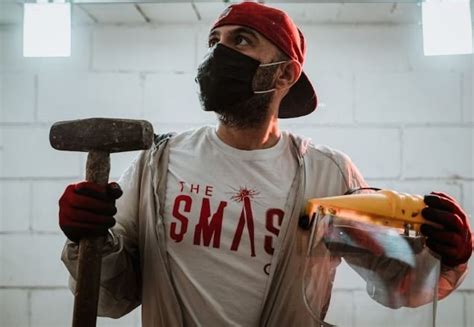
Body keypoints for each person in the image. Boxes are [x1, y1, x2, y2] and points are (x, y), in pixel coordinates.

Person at [59, 2, 472, 326]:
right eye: (213, 41)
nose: (219, 54)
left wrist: (444, 255)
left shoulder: (327, 175)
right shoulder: (158, 164)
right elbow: (114, 297)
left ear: (284, 74)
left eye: (240, 41)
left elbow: (396, 279)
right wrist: (88, 239)